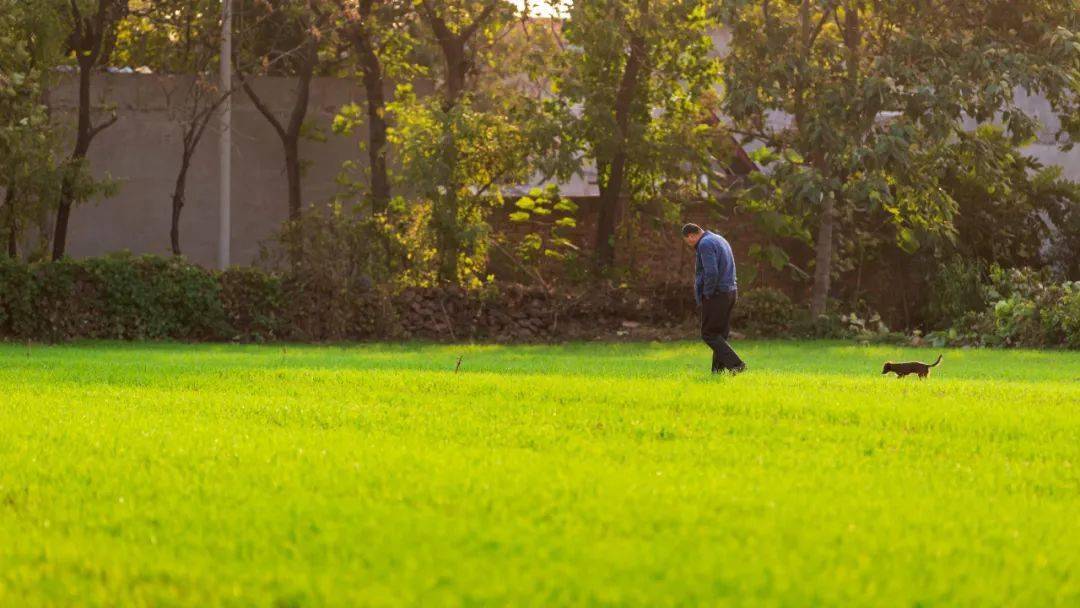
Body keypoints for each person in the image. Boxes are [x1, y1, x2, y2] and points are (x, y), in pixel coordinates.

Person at [682, 223, 746, 374]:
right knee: (719, 335)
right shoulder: (719, 239)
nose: (690, 244)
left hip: (717, 294)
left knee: (708, 334)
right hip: (730, 291)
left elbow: (711, 272)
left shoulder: (704, 243)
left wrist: (707, 293)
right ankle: (717, 372)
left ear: (691, 235)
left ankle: (737, 364)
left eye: (688, 240)